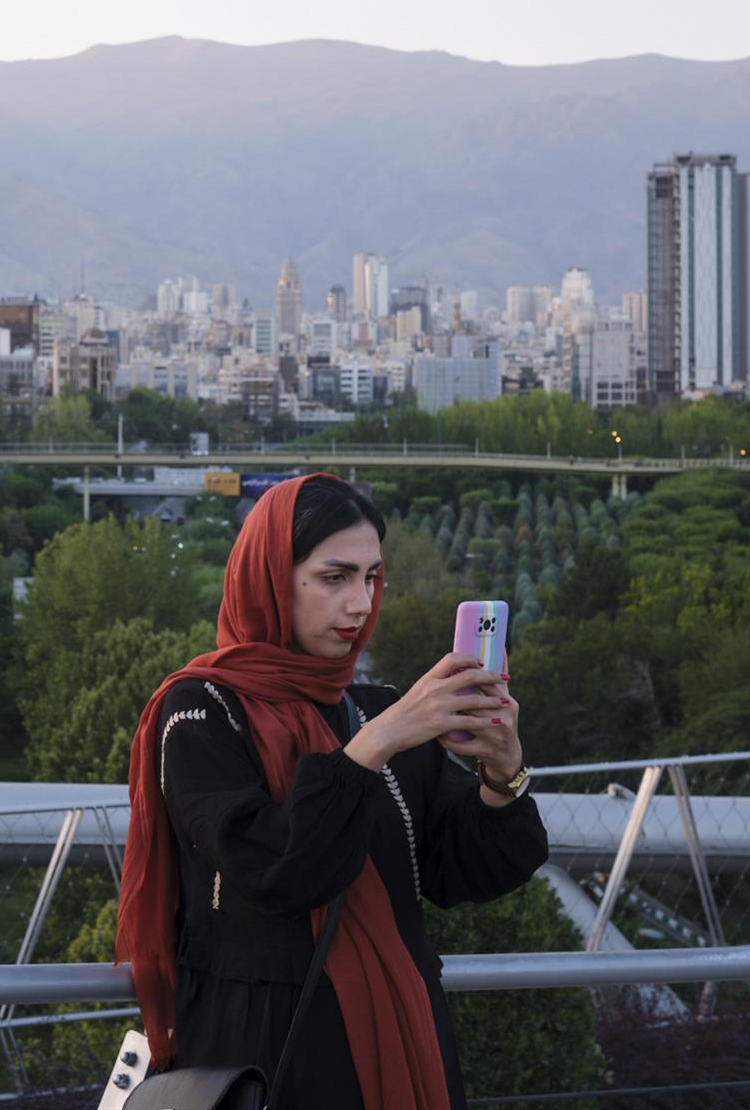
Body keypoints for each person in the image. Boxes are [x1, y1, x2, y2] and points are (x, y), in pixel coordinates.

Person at [116, 473, 548, 1109]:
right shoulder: (200, 712)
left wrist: (500, 771)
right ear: (270, 577)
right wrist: (376, 745)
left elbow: (460, 873)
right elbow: (277, 870)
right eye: (334, 577)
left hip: (400, 1033)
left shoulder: (374, 707)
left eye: (371, 577)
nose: (361, 604)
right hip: (264, 1052)